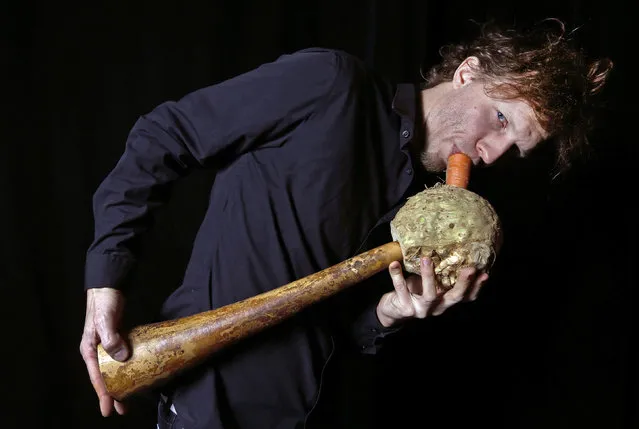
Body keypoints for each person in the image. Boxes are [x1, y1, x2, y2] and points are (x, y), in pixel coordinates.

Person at [80, 17, 612, 429]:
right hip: (209, 410)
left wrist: (391, 312)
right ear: (468, 72)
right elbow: (165, 134)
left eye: (513, 149)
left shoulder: (423, 215)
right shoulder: (332, 85)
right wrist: (106, 276)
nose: (491, 153)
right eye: (500, 120)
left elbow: (336, 330)